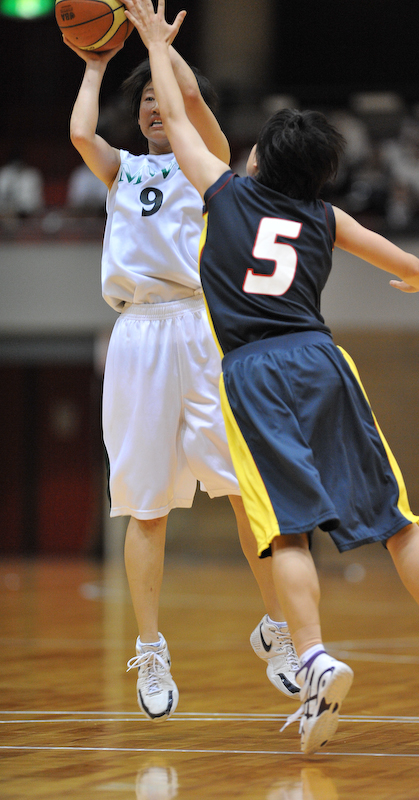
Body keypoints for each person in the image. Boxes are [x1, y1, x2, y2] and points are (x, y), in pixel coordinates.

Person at [123, 0, 419, 753]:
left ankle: (318, 656)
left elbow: (174, 110)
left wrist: (157, 46)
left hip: (253, 373)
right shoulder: (326, 218)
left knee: (283, 533)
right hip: (323, 359)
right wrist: (415, 283)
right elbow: (416, 266)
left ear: (260, 158)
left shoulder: (224, 194)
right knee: (395, 516)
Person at [64, 30, 299, 721]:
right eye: (143, 101)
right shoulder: (124, 169)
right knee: (146, 504)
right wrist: (97, 66)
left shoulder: (213, 165)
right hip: (138, 333)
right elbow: (82, 131)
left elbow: (190, 95)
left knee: (242, 489)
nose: (154, 108)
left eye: (160, 98)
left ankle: (277, 632)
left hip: (201, 329)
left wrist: (160, 49)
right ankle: (150, 647)